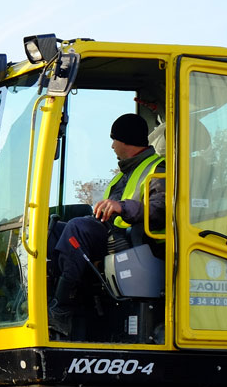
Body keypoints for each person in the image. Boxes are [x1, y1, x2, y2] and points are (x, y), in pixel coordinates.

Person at [49, 113, 165, 338]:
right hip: (113, 236)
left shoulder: (158, 169)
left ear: (126, 141)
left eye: (115, 140)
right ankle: (54, 300)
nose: (112, 146)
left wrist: (123, 207)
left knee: (77, 229)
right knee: (55, 229)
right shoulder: (122, 174)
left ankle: (62, 308)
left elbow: (160, 209)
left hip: (134, 241)